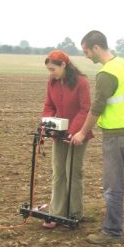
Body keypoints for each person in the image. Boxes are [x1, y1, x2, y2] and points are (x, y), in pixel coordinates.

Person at [70, 30, 124, 244]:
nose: (86, 56)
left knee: (112, 185)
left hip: (117, 133)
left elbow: (97, 107)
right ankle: (113, 227)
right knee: (116, 180)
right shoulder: (122, 64)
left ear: (96, 48)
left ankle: (112, 232)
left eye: (86, 51)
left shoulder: (106, 74)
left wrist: (82, 132)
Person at [42, 50, 93, 228]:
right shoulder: (52, 82)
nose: (51, 73)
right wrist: (48, 124)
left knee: (73, 172)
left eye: (53, 69)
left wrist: (74, 131)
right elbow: (49, 105)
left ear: (63, 65)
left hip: (79, 134)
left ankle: (74, 213)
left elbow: (85, 109)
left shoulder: (81, 82)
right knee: (58, 173)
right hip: (59, 134)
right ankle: (56, 213)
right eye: (49, 70)